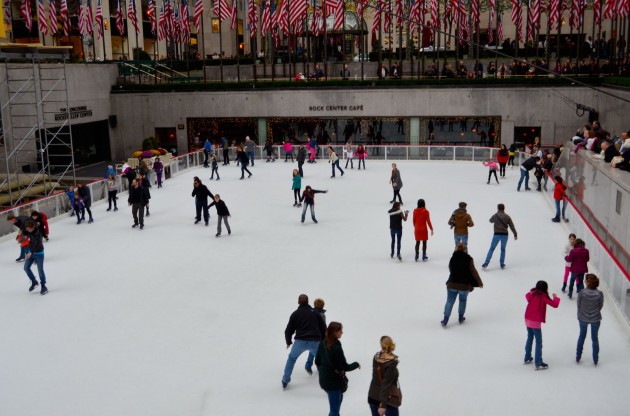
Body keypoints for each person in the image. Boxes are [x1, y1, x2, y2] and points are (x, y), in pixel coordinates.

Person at [315, 322, 360, 416]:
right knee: (334, 411)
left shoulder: (322, 342)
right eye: (340, 331)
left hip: (324, 380)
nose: (342, 332)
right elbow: (344, 367)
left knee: (338, 401)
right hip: (333, 383)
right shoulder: (336, 348)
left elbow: (317, 361)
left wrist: (324, 371)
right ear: (334, 332)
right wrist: (356, 364)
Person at [281, 294, 327, 389]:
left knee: (292, 359)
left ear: (298, 302)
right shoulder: (315, 313)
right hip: (315, 341)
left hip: (300, 342)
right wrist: (322, 340)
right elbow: (323, 328)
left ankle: (285, 380)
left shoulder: (295, 314)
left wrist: (288, 341)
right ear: (308, 301)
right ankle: (326, 382)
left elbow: (288, 330)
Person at [441, 242, 484, 326]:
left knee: (449, 302)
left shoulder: (452, 258)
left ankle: (445, 320)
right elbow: (473, 272)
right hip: (464, 286)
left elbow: (450, 269)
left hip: (452, 284)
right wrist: (479, 283)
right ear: (465, 249)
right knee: (462, 300)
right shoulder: (469, 259)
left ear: (456, 248)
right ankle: (461, 318)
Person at [524, 280, 560, 370]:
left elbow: (527, 296)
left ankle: (527, 357)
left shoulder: (533, 294)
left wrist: (532, 291)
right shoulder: (543, 297)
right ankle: (538, 361)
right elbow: (555, 305)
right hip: (535, 321)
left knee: (529, 338)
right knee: (538, 341)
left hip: (527, 319)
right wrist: (555, 297)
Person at [368, 336, 402, 416]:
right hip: (387, 399)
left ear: (381, 345)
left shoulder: (376, 357)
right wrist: (383, 405)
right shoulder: (391, 363)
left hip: (373, 395)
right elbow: (385, 384)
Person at [576, 274, 604, 365]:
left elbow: (579, 305)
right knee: (595, 338)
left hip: (583, 318)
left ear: (587, 282)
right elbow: (600, 305)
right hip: (595, 318)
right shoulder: (599, 294)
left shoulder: (582, 292)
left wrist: (580, 315)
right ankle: (595, 358)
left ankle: (578, 356)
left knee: (581, 337)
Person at [482, 203, 518, 269]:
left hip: (496, 234)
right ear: (504, 208)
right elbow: (511, 226)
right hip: (505, 235)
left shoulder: (495, 215)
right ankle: (502, 263)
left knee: (492, 248)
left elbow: (490, 220)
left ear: (498, 208)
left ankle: (486, 263)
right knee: (503, 249)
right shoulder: (507, 216)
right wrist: (515, 234)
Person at [22, 220, 48, 295]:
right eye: (27, 229)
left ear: (33, 227)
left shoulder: (38, 234)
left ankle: (43, 286)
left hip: (39, 253)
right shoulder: (27, 230)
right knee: (26, 267)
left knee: (40, 270)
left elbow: (36, 245)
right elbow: (24, 231)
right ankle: (34, 281)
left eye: (29, 229)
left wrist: (30, 252)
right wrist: (24, 236)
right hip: (31, 253)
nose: (28, 230)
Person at [305, 298, 327, 375]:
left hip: (310, 335)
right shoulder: (322, 315)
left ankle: (308, 365)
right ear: (322, 306)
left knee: (312, 350)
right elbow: (323, 326)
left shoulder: (310, 313)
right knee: (318, 353)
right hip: (319, 336)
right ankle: (320, 370)